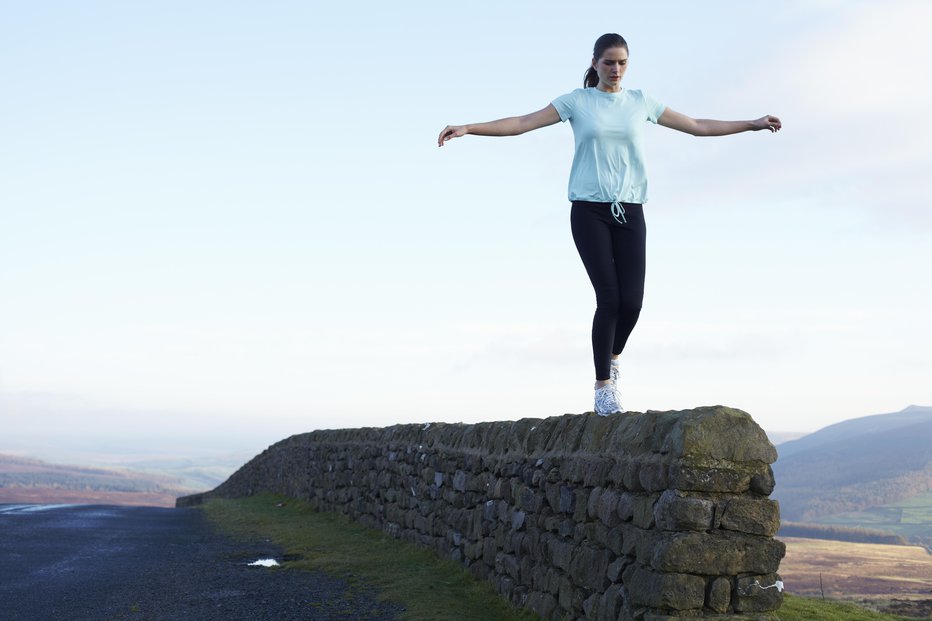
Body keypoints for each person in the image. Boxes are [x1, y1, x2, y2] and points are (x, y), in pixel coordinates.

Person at [437, 33, 781, 416]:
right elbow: (521, 122)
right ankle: (603, 386)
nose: (616, 70)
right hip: (588, 210)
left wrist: (751, 124)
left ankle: (612, 357)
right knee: (610, 299)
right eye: (609, 63)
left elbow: (697, 125)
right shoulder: (577, 102)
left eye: (622, 63)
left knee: (632, 302)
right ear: (595, 63)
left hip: (631, 210)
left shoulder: (640, 102)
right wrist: (469, 128)